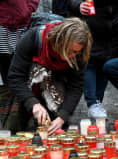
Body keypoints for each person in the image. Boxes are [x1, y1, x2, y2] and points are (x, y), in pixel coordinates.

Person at [7, 18, 92, 135]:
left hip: (57, 90)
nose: (72, 56)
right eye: (70, 51)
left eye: (76, 52)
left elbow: (76, 86)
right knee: (22, 129)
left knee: (55, 130)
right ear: (59, 41)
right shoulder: (32, 39)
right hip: (29, 85)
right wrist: (32, 103)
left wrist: (63, 116)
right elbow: (15, 76)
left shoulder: (79, 54)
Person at [67, 0, 118, 119]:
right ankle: (92, 103)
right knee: (89, 63)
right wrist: (78, 6)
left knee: (105, 65)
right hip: (90, 26)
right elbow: (70, 2)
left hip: (113, 29)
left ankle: (97, 102)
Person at [0, 0, 39, 131]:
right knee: (7, 74)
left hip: (22, 26)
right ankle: (10, 117)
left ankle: (25, 115)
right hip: (2, 26)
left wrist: (27, 10)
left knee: (23, 70)